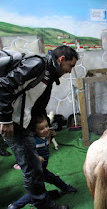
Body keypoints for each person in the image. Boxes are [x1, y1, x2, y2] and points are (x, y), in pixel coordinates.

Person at [0, 45, 79, 209]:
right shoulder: (37, 65)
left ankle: (40, 199)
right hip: (13, 123)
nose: (70, 71)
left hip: (22, 123)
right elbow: (4, 86)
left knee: (35, 167)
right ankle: (44, 204)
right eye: (70, 66)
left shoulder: (49, 74)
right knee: (32, 168)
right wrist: (5, 120)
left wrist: (45, 128)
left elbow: (37, 106)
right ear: (61, 59)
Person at [8, 115, 77, 209]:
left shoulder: (46, 135)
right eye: (41, 129)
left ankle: (65, 188)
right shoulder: (33, 140)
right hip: (35, 170)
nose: (45, 130)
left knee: (54, 179)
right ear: (34, 131)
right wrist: (36, 157)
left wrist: (51, 135)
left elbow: (48, 136)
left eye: (46, 126)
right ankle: (15, 206)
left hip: (42, 168)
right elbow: (26, 152)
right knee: (35, 192)